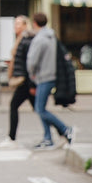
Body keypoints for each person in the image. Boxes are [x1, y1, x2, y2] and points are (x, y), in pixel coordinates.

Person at [26, 13, 74, 150]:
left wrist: (32, 74)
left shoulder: (39, 39)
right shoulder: (51, 36)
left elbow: (32, 61)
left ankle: (65, 129)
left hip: (43, 76)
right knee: (40, 107)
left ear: (35, 23)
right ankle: (47, 137)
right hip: (53, 75)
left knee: (40, 109)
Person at [0, 15, 34, 146]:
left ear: (25, 25)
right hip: (24, 79)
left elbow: (30, 62)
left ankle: (11, 138)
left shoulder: (26, 39)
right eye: (15, 24)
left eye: (18, 24)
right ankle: (62, 132)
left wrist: (32, 83)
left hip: (25, 80)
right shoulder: (21, 39)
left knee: (14, 106)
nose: (15, 26)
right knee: (40, 110)